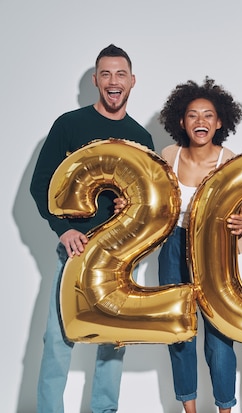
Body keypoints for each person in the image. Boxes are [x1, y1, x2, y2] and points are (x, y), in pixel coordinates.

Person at [30, 44, 154, 413]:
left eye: (120, 75)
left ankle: (105, 409)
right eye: (106, 74)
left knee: (114, 341)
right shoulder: (70, 125)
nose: (113, 82)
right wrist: (62, 228)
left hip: (119, 257)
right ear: (95, 80)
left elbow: (145, 202)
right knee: (58, 337)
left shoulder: (141, 139)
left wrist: (127, 205)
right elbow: (41, 184)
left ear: (132, 81)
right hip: (75, 250)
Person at [148, 77, 242, 413]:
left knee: (220, 336)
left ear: (220, 121)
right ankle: (189, 409)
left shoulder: (231, 160)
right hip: (174, 246)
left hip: (216, 249)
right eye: (193, 115)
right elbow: (153, 201)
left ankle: (225, 408)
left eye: (208, 115)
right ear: (181, 121)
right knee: (179, 331)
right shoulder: (168, 155)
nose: (201, 122)